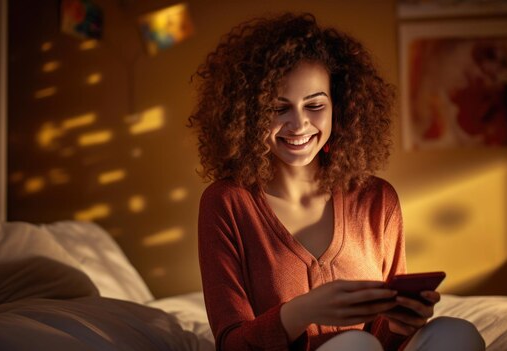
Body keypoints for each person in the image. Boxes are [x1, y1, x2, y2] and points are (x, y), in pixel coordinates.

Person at [188, 12, 485, 351]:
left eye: (314, 105)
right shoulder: (226, 203)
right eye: (277, 109)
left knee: (454, 333)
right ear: (248, 114)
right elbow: (232, 344)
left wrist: (402, 325)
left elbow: (384, 338)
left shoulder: (378, 199)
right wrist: (299, 313)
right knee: (355, 346)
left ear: (338, 108)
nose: (299, 124)